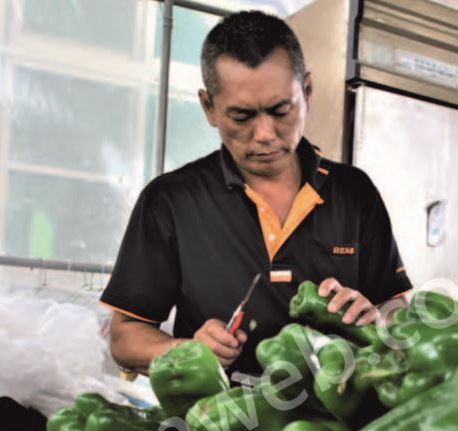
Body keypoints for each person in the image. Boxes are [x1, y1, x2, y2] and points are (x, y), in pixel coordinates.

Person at [101, 11, 411, 376]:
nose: (265, 134)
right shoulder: (170, 200)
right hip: (216, 424)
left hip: (338, 424)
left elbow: (398, 309)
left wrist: (377, 319)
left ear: (307, 93)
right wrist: (187, 351)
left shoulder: (355, 193)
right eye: (242, 116)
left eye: (281, 110)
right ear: (208, 107)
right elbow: (124, 339)